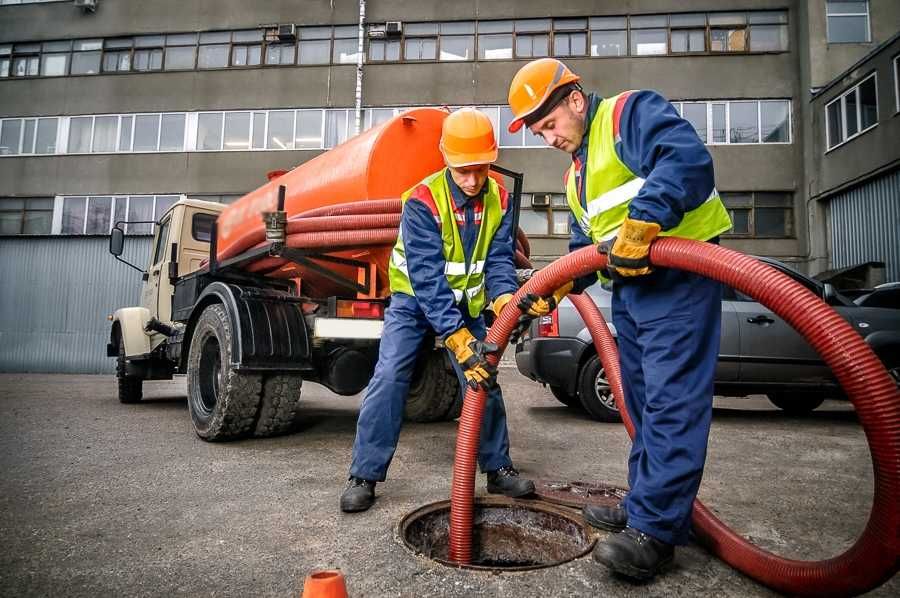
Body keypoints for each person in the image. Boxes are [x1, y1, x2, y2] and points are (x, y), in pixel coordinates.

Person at [506, 58, 732, 579]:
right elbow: (584, 248)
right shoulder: (575, 177)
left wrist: (645, 218)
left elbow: (687, 161)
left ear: (575, 101)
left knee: (672, 404)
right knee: (644, 405)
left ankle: (654, 532)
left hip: (680, 280)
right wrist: (553, 285)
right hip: (632, 293)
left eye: (550, 124)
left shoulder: (629, 114)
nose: (549, 138)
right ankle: (644, 504)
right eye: (539, 132)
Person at [340, 108, 535, 513]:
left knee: (482, 375)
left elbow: (499, 260)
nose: (471, 179)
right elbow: (427, 278)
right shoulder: (422, 200)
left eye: (479, 169)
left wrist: (503, 300)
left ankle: (498, 468)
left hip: (466, 303)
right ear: (446, 160)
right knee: (391, 374)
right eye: (463, 170)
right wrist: (456, 336)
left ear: (490, 160)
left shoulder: (499, 198)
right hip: (413, 301)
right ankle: (364, 474)